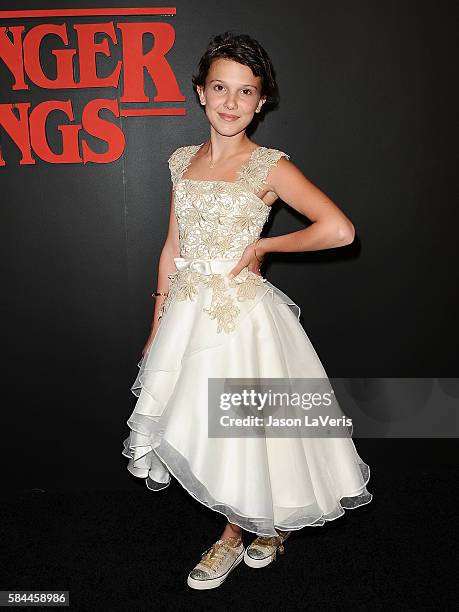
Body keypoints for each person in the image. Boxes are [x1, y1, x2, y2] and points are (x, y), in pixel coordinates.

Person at [122, 31, 372, 590]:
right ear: (201, 93)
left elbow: (338, 230)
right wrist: (156, 324)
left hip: (239, 320)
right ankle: (262, 526)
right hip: (186, 316)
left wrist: (263, 247)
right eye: (220, 88)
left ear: (261, 102)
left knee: (241, 430)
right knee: (207, 432)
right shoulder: (181, 160)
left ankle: (235, 536)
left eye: (245, 92)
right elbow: (171, 248)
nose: (231, 102)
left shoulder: (269, 167)